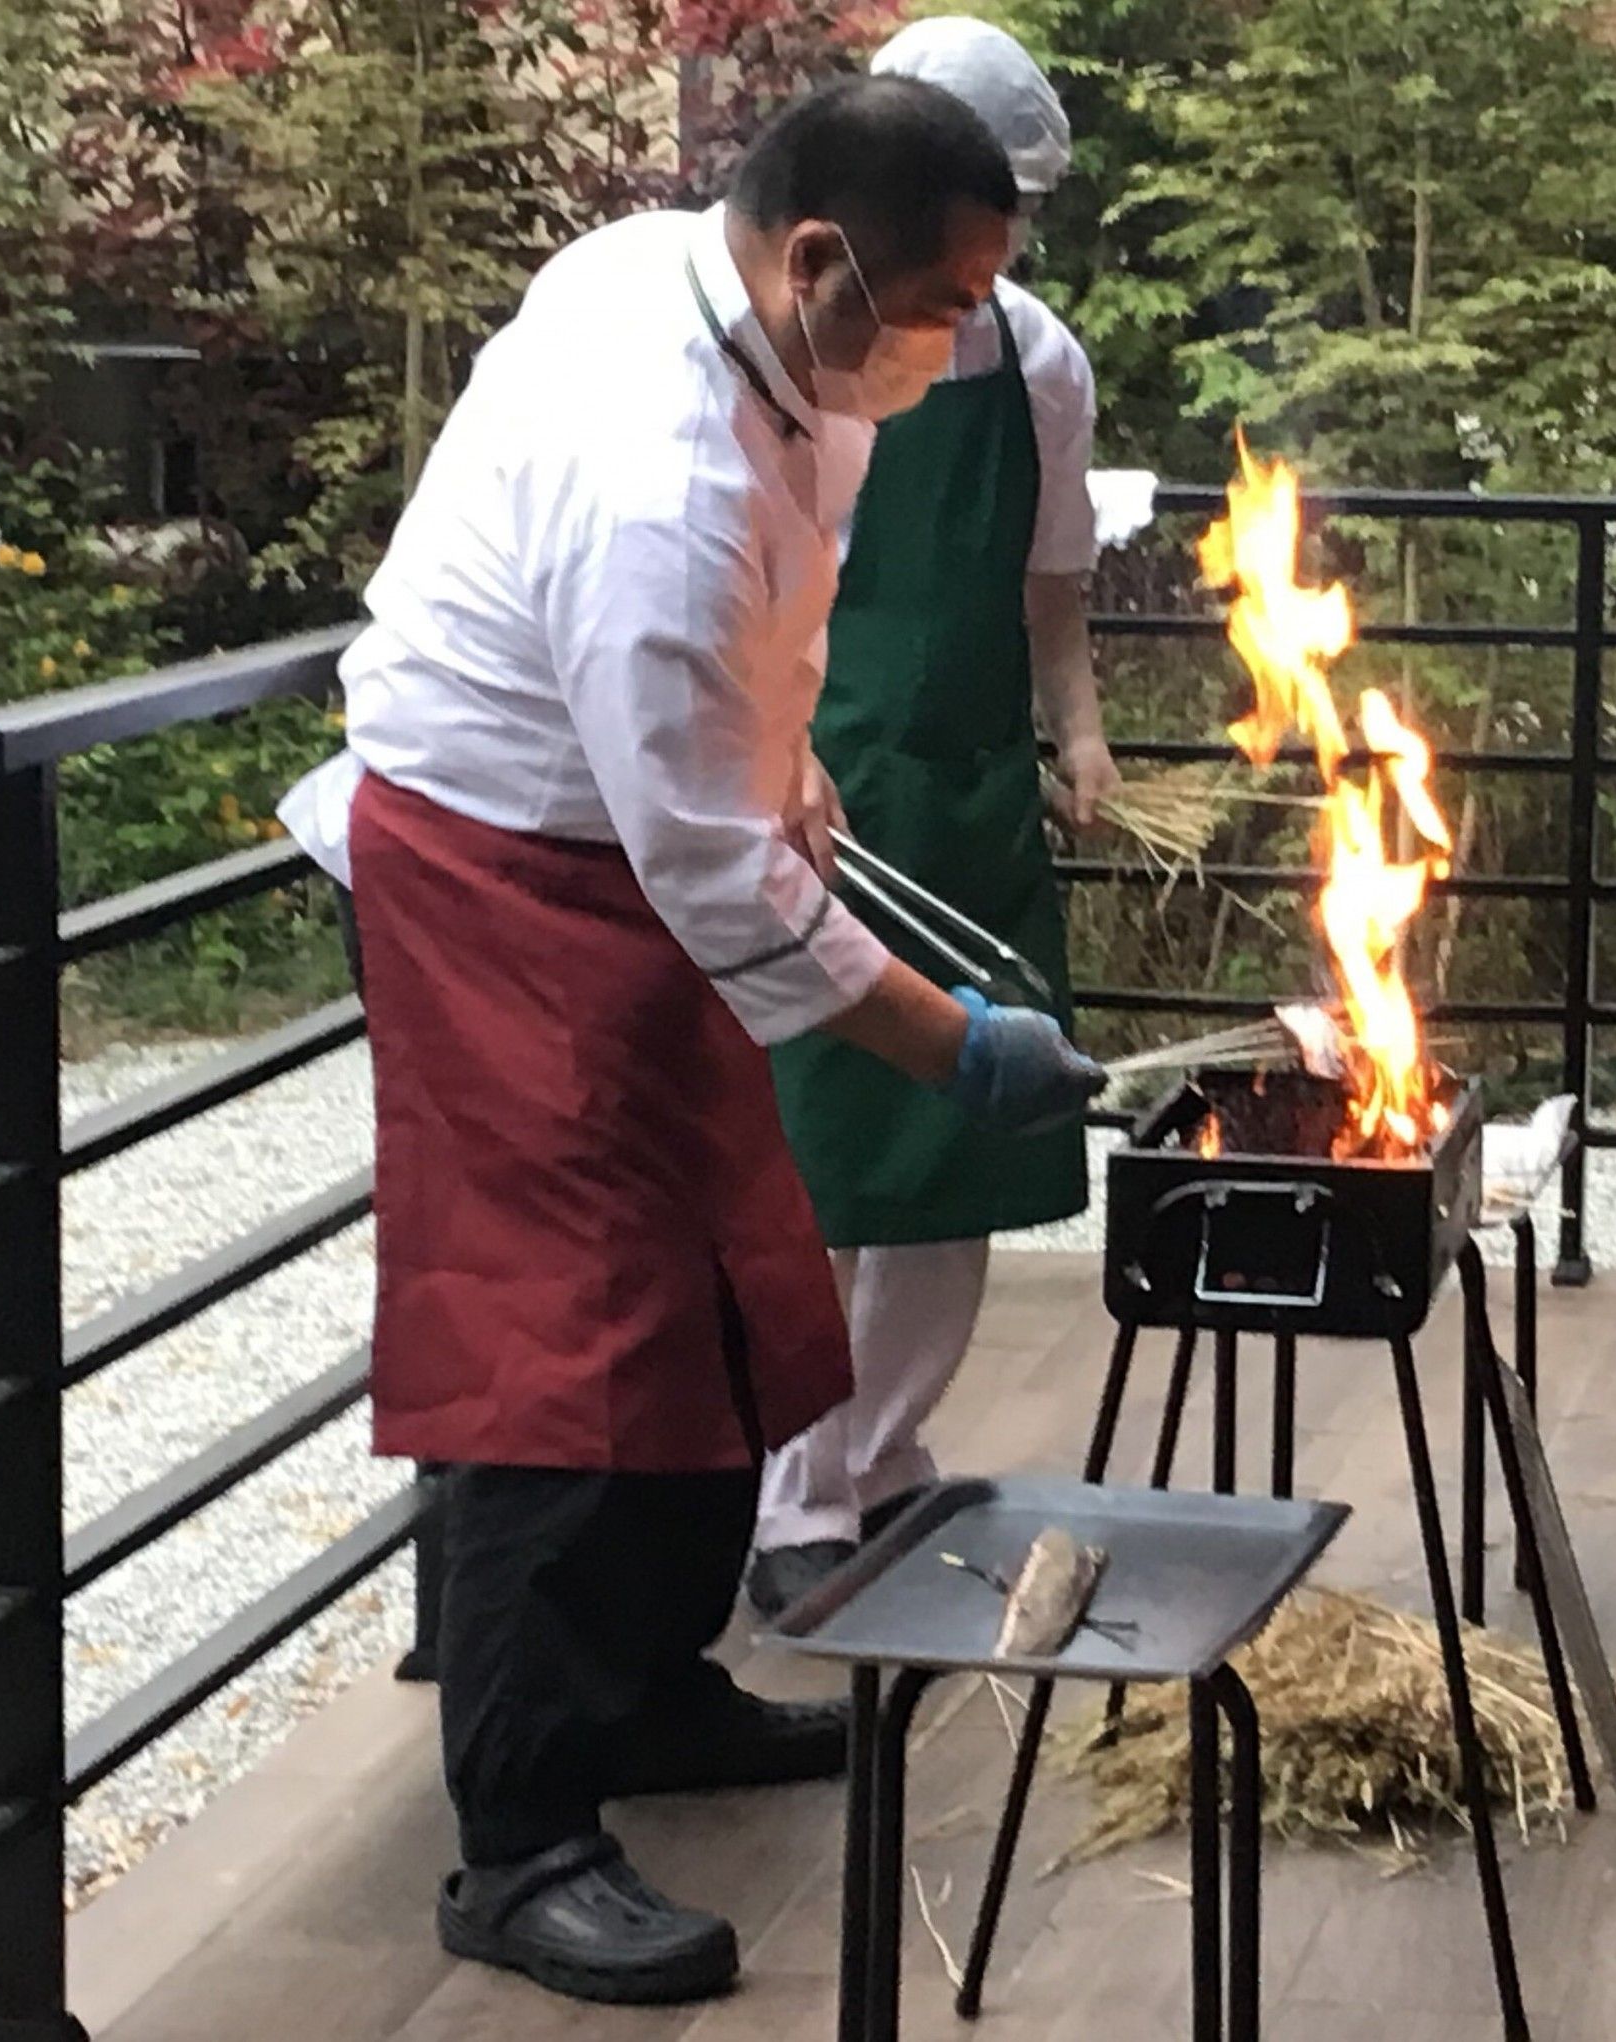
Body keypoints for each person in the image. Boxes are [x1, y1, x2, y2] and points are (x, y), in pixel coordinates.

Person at [275, 78, 1104, 2010]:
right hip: (502, 858)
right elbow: (716, 877)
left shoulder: (736, 316)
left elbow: (746, 680)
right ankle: (522, 1840)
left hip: (632, 825)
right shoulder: (656, 463)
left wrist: (788, 740)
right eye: (934, 307)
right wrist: (948, 1042)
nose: (952, 345)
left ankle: (649, 1690)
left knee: (725, 1268)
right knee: (560, 1335)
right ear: (820, 263)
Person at [750, 20, 1119, 1618]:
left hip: (965, 782)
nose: (999, 243)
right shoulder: (809, 342)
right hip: (818, 773)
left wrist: (1080, 734)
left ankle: (888, 1451)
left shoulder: (1036, 360)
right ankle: (787, 1496)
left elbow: (1053, 580)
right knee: (819, 1151)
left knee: (953, 1158)